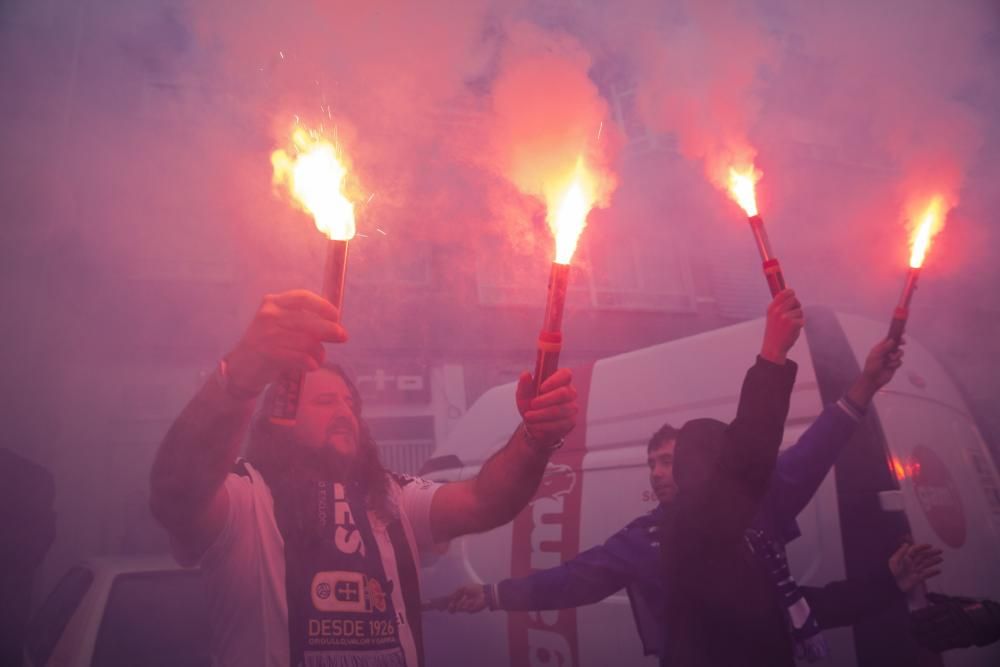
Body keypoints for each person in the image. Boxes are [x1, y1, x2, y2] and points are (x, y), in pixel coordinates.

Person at [442, 292, 933, 662]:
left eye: (671, 460)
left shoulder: (760, 505)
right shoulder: (653, 537)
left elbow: (797, 601)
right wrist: (491, 594)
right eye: (653, 463)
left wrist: (865, 384)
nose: (660, 473)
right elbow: (574, 580)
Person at [149, 289, 579, 667]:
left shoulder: (390, 497)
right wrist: (241, 374)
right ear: (282, 417)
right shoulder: (246, 496)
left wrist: (535, 440)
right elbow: (176, 492)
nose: (344, 411)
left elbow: (486, 502)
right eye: (323, 401)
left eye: (348, 402)